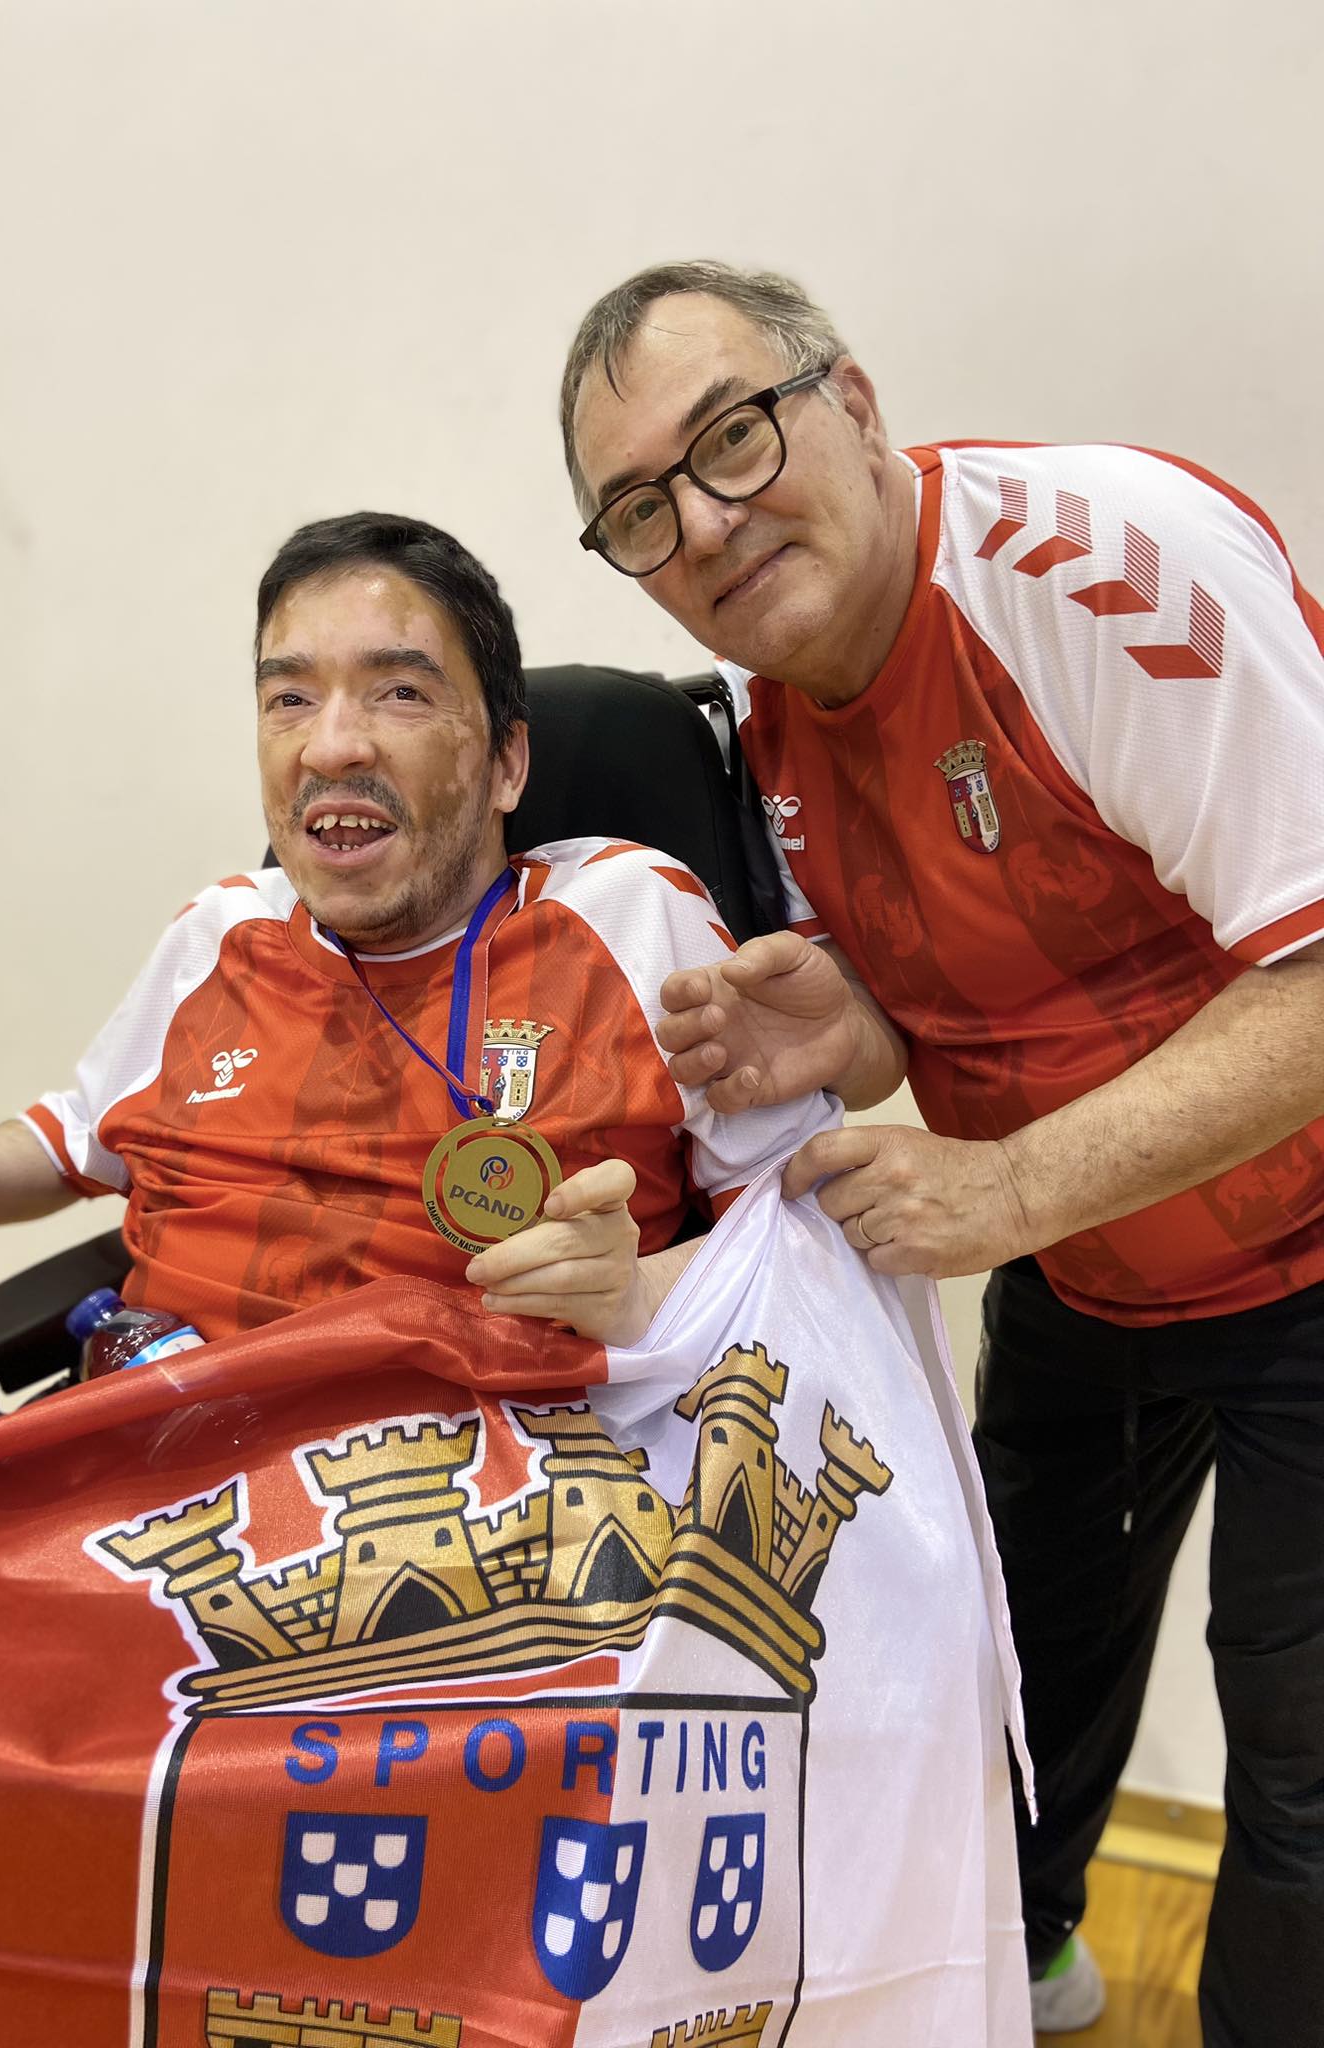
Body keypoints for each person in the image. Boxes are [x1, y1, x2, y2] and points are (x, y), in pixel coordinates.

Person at [559, 259, 1324, 2044]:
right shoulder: (762, 716)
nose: (708, 523)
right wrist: (853, 1030)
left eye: (733, 438)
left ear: (853, 401)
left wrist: (1012, 1186)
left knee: (1298, 1768)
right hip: (1087, 1278)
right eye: (642, 510)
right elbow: (971, 985)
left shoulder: (1101, 567)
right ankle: (1026, 1973)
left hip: (1302, 1254)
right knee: (1010, 1672)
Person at [0, 510, 805, 1352]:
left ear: (506, 764)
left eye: (399, 692)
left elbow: (803, 1222)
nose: (331, 746)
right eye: (289, 697)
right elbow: (77, 1133)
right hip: (152, 1465)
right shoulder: (220, 933)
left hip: (462, 1494)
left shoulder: (628, 917)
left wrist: (641, 1295)